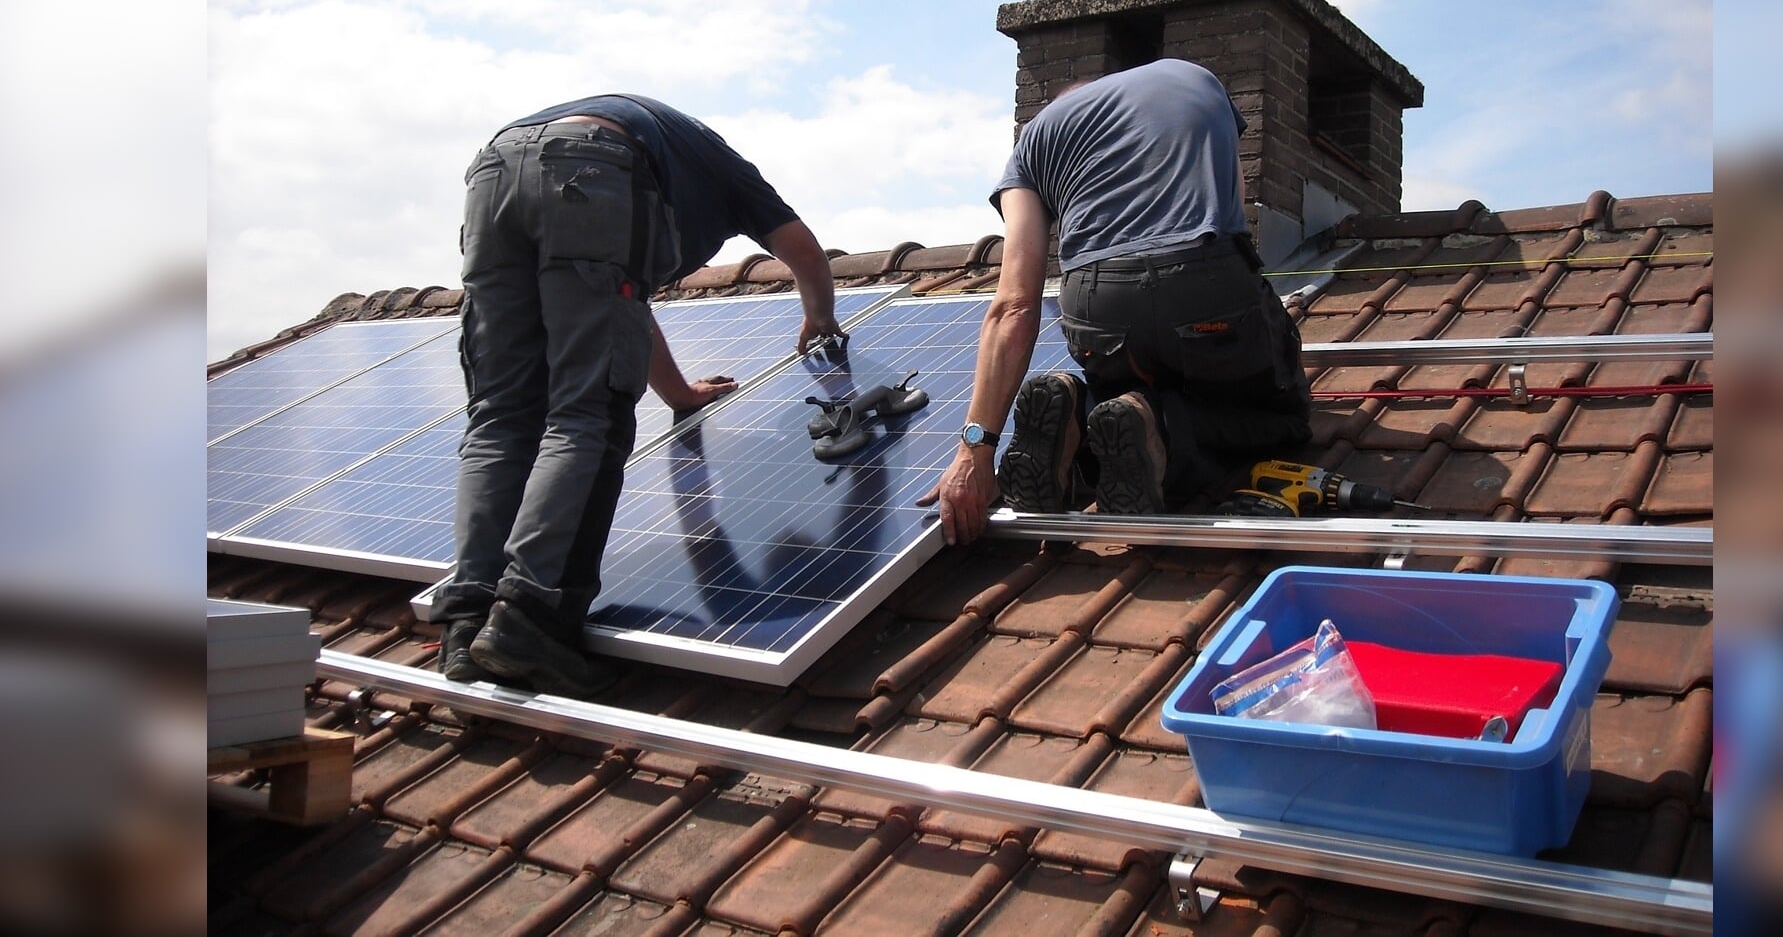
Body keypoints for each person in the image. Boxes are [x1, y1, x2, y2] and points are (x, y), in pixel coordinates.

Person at [433, 94, 845, 695]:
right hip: (591, 166)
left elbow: (619, 307)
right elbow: (805, 253)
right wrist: (820, 317)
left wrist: (678, 392)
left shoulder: (672, 152)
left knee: (499, 416)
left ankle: (467, 625)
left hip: (494, 171)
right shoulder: (727, 172)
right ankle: (531, 620)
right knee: (585, 417)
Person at [919, 58, 1311, 545]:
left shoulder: (1032, 142)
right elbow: (1235, 213)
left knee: (1125, 387)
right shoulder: (1194, 76)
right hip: (1203, 279)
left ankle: (1079, 413)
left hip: (1097, 307)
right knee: (1284, 417)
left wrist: (975, 448)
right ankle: (1161, 429)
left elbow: (1014, 303)